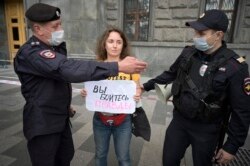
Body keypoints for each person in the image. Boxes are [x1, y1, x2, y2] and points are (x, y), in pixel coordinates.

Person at [14, 3, 147, 166]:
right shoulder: (33, 52)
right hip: (43, 124)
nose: (60, 29)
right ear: (38, 29)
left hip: (60, 118)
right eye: (55, 26)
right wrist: (117, 67)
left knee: (65, 157)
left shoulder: (53, 47)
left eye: (60, 24)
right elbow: (66, 69)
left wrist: (66, 105)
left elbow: (53, 82)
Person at [142, 9, 250, 166]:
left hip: (207, 129)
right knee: (169, 161)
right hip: (179, 121)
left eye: (201, 33)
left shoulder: (235, 66)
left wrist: (231, 146)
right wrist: (145, 86)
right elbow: (170, 74)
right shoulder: (188, 54)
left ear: (218, 35)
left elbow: (242, 111)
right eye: (195, 32)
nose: (196, 37)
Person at [80, 26, 141, 166]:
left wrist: (137, 94)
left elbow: (137, 87)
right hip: (100, 120)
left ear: (123, 45)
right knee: (100, 155)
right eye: (111, 41)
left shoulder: (131, 65)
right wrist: (86, 93)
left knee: (124, 158)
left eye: (119, 42)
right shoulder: (96, 65)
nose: (114, 45)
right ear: (104, 44)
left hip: (123, 120)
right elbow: (92, 88)